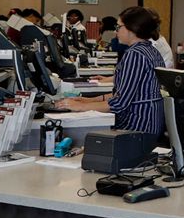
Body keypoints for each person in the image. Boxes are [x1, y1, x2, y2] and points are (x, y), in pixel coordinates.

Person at [56, 7, 165, 135]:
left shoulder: (135, 54)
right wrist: (88, 100)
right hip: (148, 123)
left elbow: (120, 103)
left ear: (133, 29)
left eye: (119, 27)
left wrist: (80, 107)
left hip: (137, 126)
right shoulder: (150, 50)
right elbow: (125, 93)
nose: (115, 31)